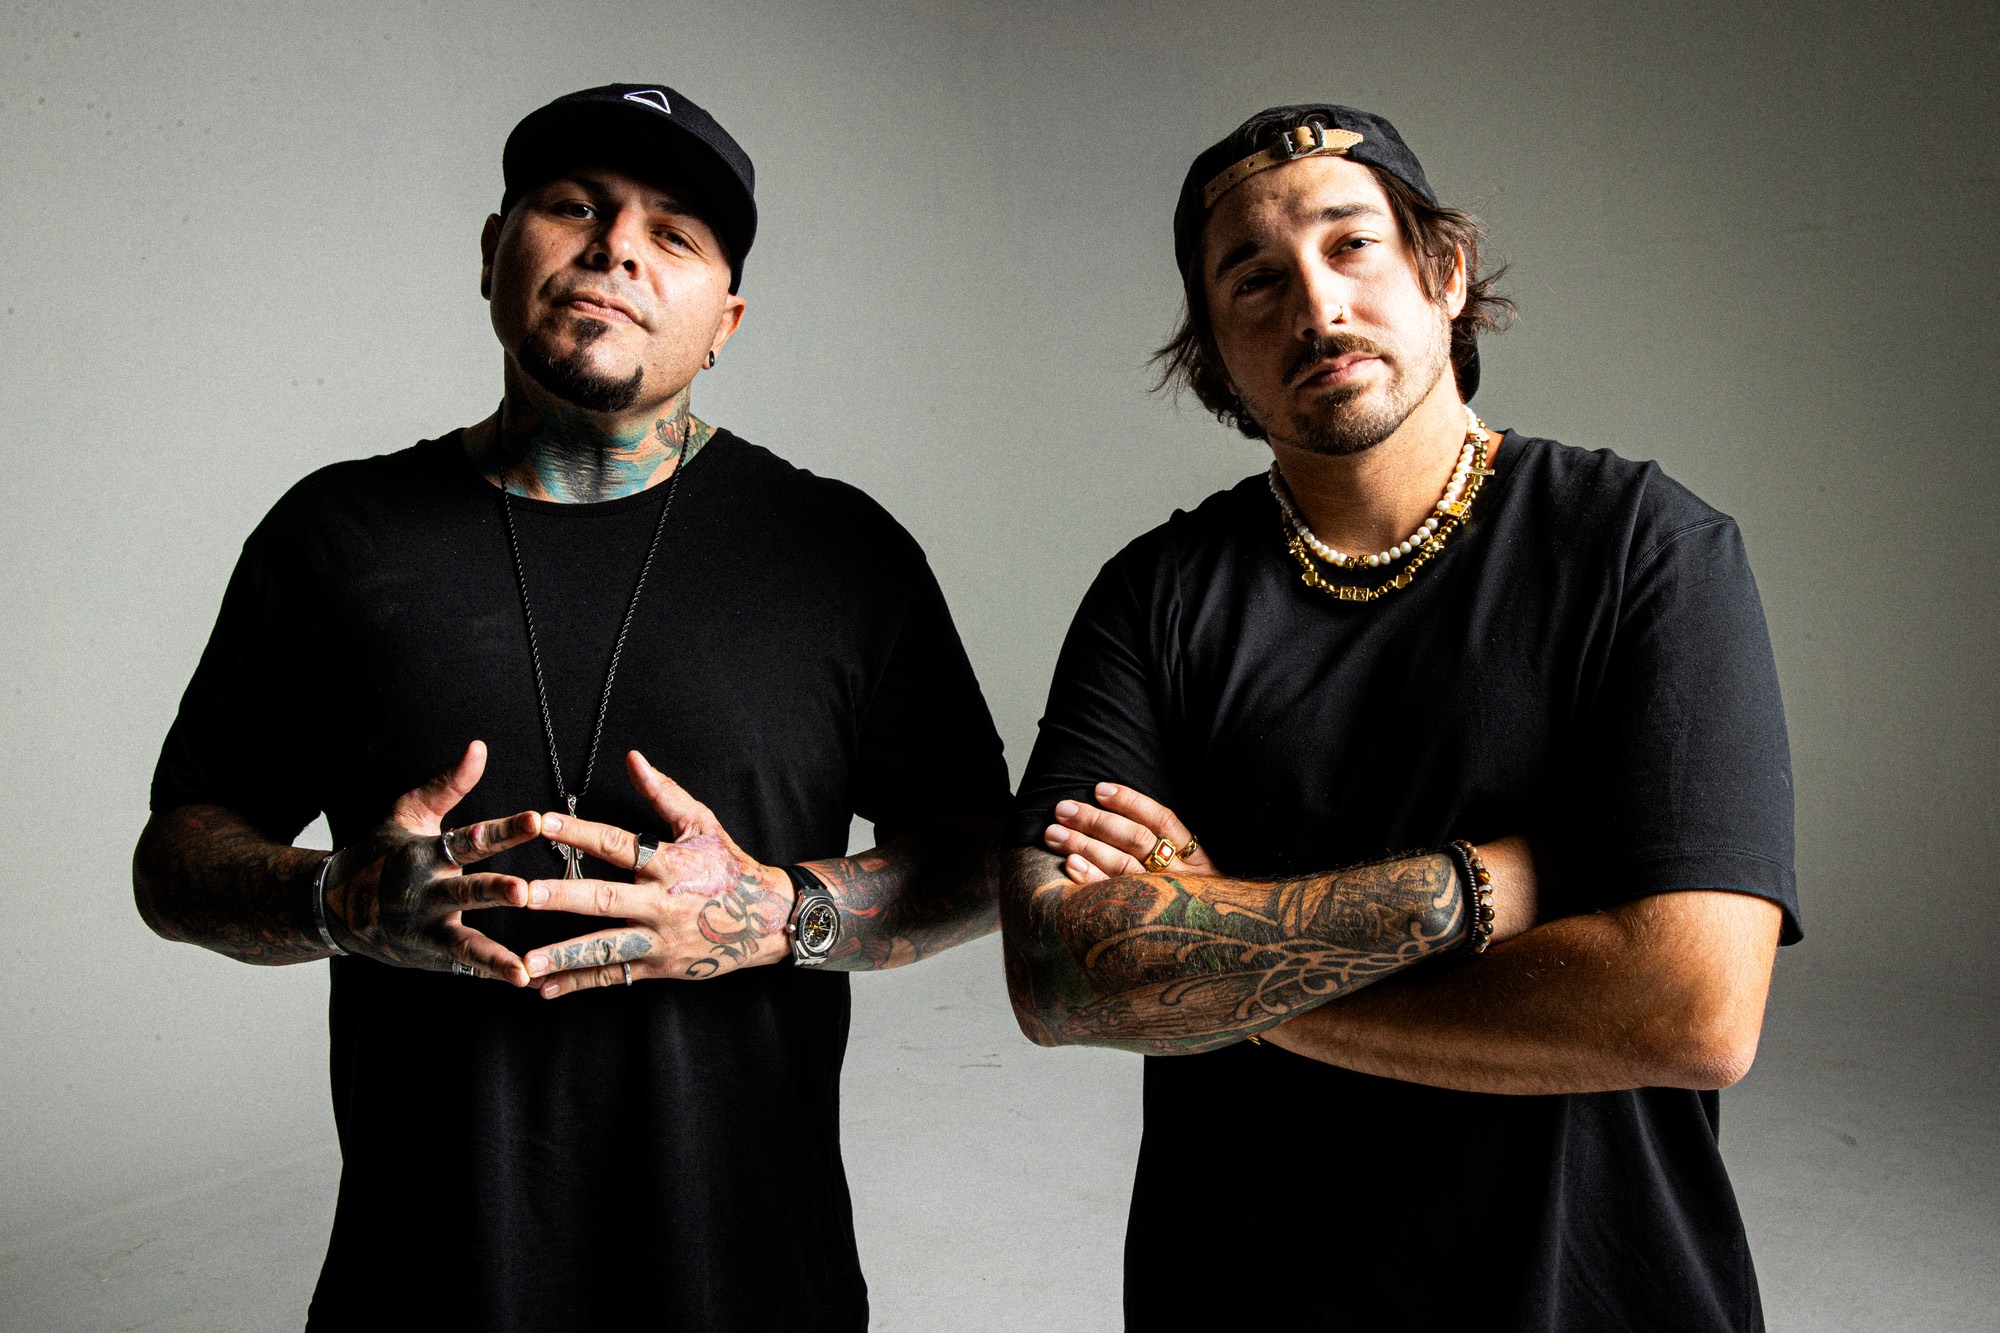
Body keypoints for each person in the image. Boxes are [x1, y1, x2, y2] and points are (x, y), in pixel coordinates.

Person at [132, 83, 1009, 1331]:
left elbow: (986, 854)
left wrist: (779, 913)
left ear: (726, 321)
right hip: (422, 1290)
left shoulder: (840, 555)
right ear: (497, 251)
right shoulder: (334, 538)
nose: (616, 249)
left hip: (751, 1287)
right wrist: (336, 900)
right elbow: (174, 858)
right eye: (575, 207)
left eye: (674, 234)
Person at [1001, 104, 1798, 1331]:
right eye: (1252, 279)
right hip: (1246, 1289)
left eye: (1351, 245)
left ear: (1445, 272)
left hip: (1588, 1290)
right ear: (1214, 354)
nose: (1316, 306)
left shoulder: (1643, 548)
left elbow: (1688, 1006)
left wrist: (1217, 956)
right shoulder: (1154, 597)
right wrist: (1482, 885)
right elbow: (1060, 973)